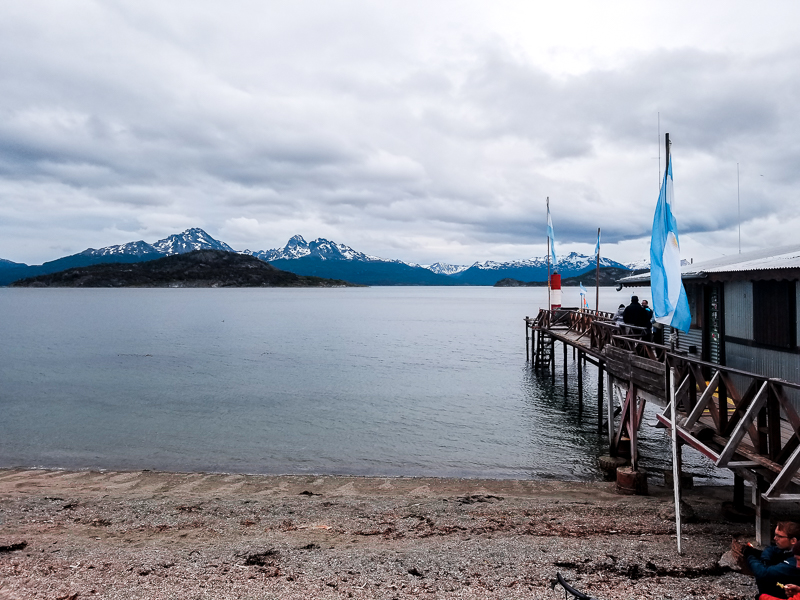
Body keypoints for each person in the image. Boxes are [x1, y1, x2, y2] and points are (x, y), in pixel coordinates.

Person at [745, 522, 800, 599]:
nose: (775, 538)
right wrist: (765, 561)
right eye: (775, 535)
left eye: (779, 536)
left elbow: (764, 573)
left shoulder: (794, 562)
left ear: (793, 540)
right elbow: (770, 549)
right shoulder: (788, 549)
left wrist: (750, 557)